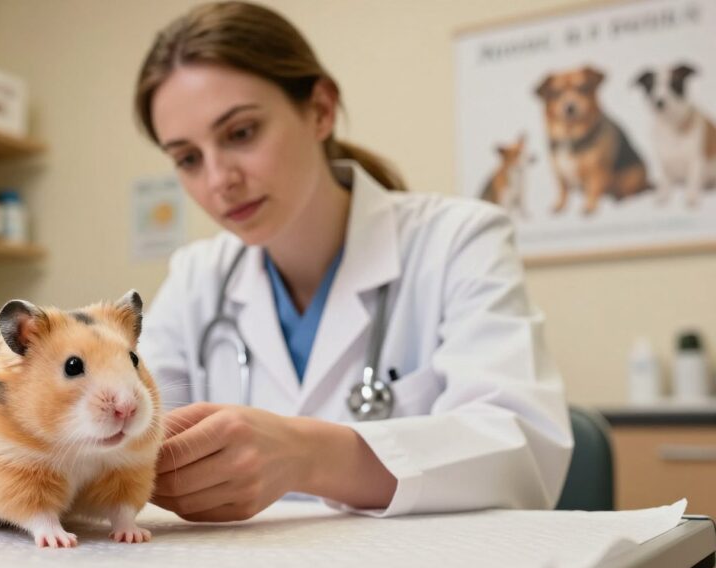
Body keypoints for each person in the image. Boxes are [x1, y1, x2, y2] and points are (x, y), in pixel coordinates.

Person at [134, 1, 573, 522]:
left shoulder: (457, 240)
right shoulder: (197, 278)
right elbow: (124, 422)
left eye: (242, 133)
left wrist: (306, 454)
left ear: (320, 110)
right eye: (188, 158)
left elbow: (521, 449)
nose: (218, 180)